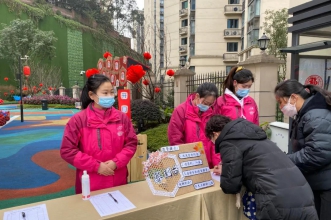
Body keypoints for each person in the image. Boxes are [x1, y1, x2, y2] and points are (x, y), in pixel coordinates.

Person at [205, 115, 318, 220]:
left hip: (277, 203)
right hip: (303, 196)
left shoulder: (228, 141)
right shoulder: (255, 135)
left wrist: (227, 172)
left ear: (215, 134)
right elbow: (258, 164)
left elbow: (230, 185)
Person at [60, 73, 137, 194]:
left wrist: (116, 162)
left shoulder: (122, 118)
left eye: (112, 92)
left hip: (117, 178)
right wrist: (96, 166)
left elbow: (131, 144)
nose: (110, 96)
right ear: (92, 95)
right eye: (105, 93)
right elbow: (67, 151)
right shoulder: (78, 120)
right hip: (91, 182)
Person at [274, 79, 331, 220]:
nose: (281, 107)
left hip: (326, 186)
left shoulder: (315, 115)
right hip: (320, 181)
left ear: (293, 97)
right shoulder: (307, 113)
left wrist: (284, 160)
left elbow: (317, 153)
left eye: (280, 102)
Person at [168, 82, 220, 170]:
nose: (207, 106)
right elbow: (175, 138)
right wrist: (184, 161)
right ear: (197, 96)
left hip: (208, 163)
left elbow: (216, 141)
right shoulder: (181, 111)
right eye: (205, 103)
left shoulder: (212, 113)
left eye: (210, 104)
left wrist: (217, 164)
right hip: (188, 161)